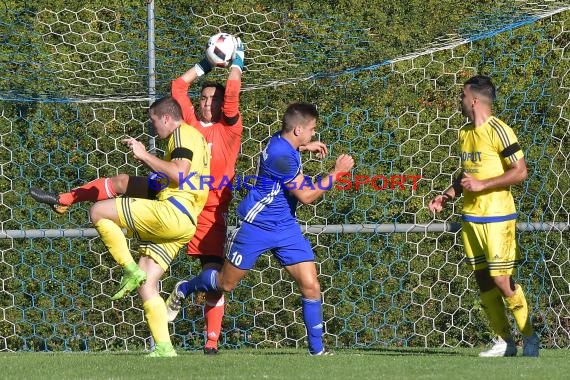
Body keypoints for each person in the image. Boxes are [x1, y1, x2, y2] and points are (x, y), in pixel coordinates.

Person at [29, 37, 246, 355]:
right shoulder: (187, 123)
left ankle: (210, 341)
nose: (207, 104)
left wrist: (237, 63)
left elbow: (229, 102)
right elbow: (177, 87)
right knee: (121, 184)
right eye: (204, 98)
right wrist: (208, 63)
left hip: (207, 207)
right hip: (176, 196)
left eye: (214, 99)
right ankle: (66, 199)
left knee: (214, 277)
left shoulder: (226, 128)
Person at [165, 102, 355, 355]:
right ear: (298, 129)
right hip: (258, 225)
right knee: (225, 284)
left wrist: (305, 146)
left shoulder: (283, 141)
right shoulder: (281, 155)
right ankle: (185, 288)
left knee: (311, 285)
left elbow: (288, 150)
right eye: (311, 130)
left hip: (285, 226)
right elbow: (307, 196)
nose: (313, 134)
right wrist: (338, 172)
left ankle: (317, 351)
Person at [428, 75, 539, 357]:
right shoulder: (465, 133)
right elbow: (468, 174)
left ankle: (529, 337)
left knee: (502, 279)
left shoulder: (499, 130)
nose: (460, 101)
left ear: (474, 100)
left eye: (462, 97)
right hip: (471, 218)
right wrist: (447, 195)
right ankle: (504, 342)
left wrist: (483, 186)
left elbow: (521, 171)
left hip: (498, 217)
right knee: (483, 280)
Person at [92, 96, 209, 357]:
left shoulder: (180, 134)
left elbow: (179, 173)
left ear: (166, 118)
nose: (153, 127)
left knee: (98, 210)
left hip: (172, 212)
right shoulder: (196, 137)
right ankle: (165, 348)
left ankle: (128, 269)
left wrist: (145, 155)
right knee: (148, 282)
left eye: (154, 121)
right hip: (186, 221)